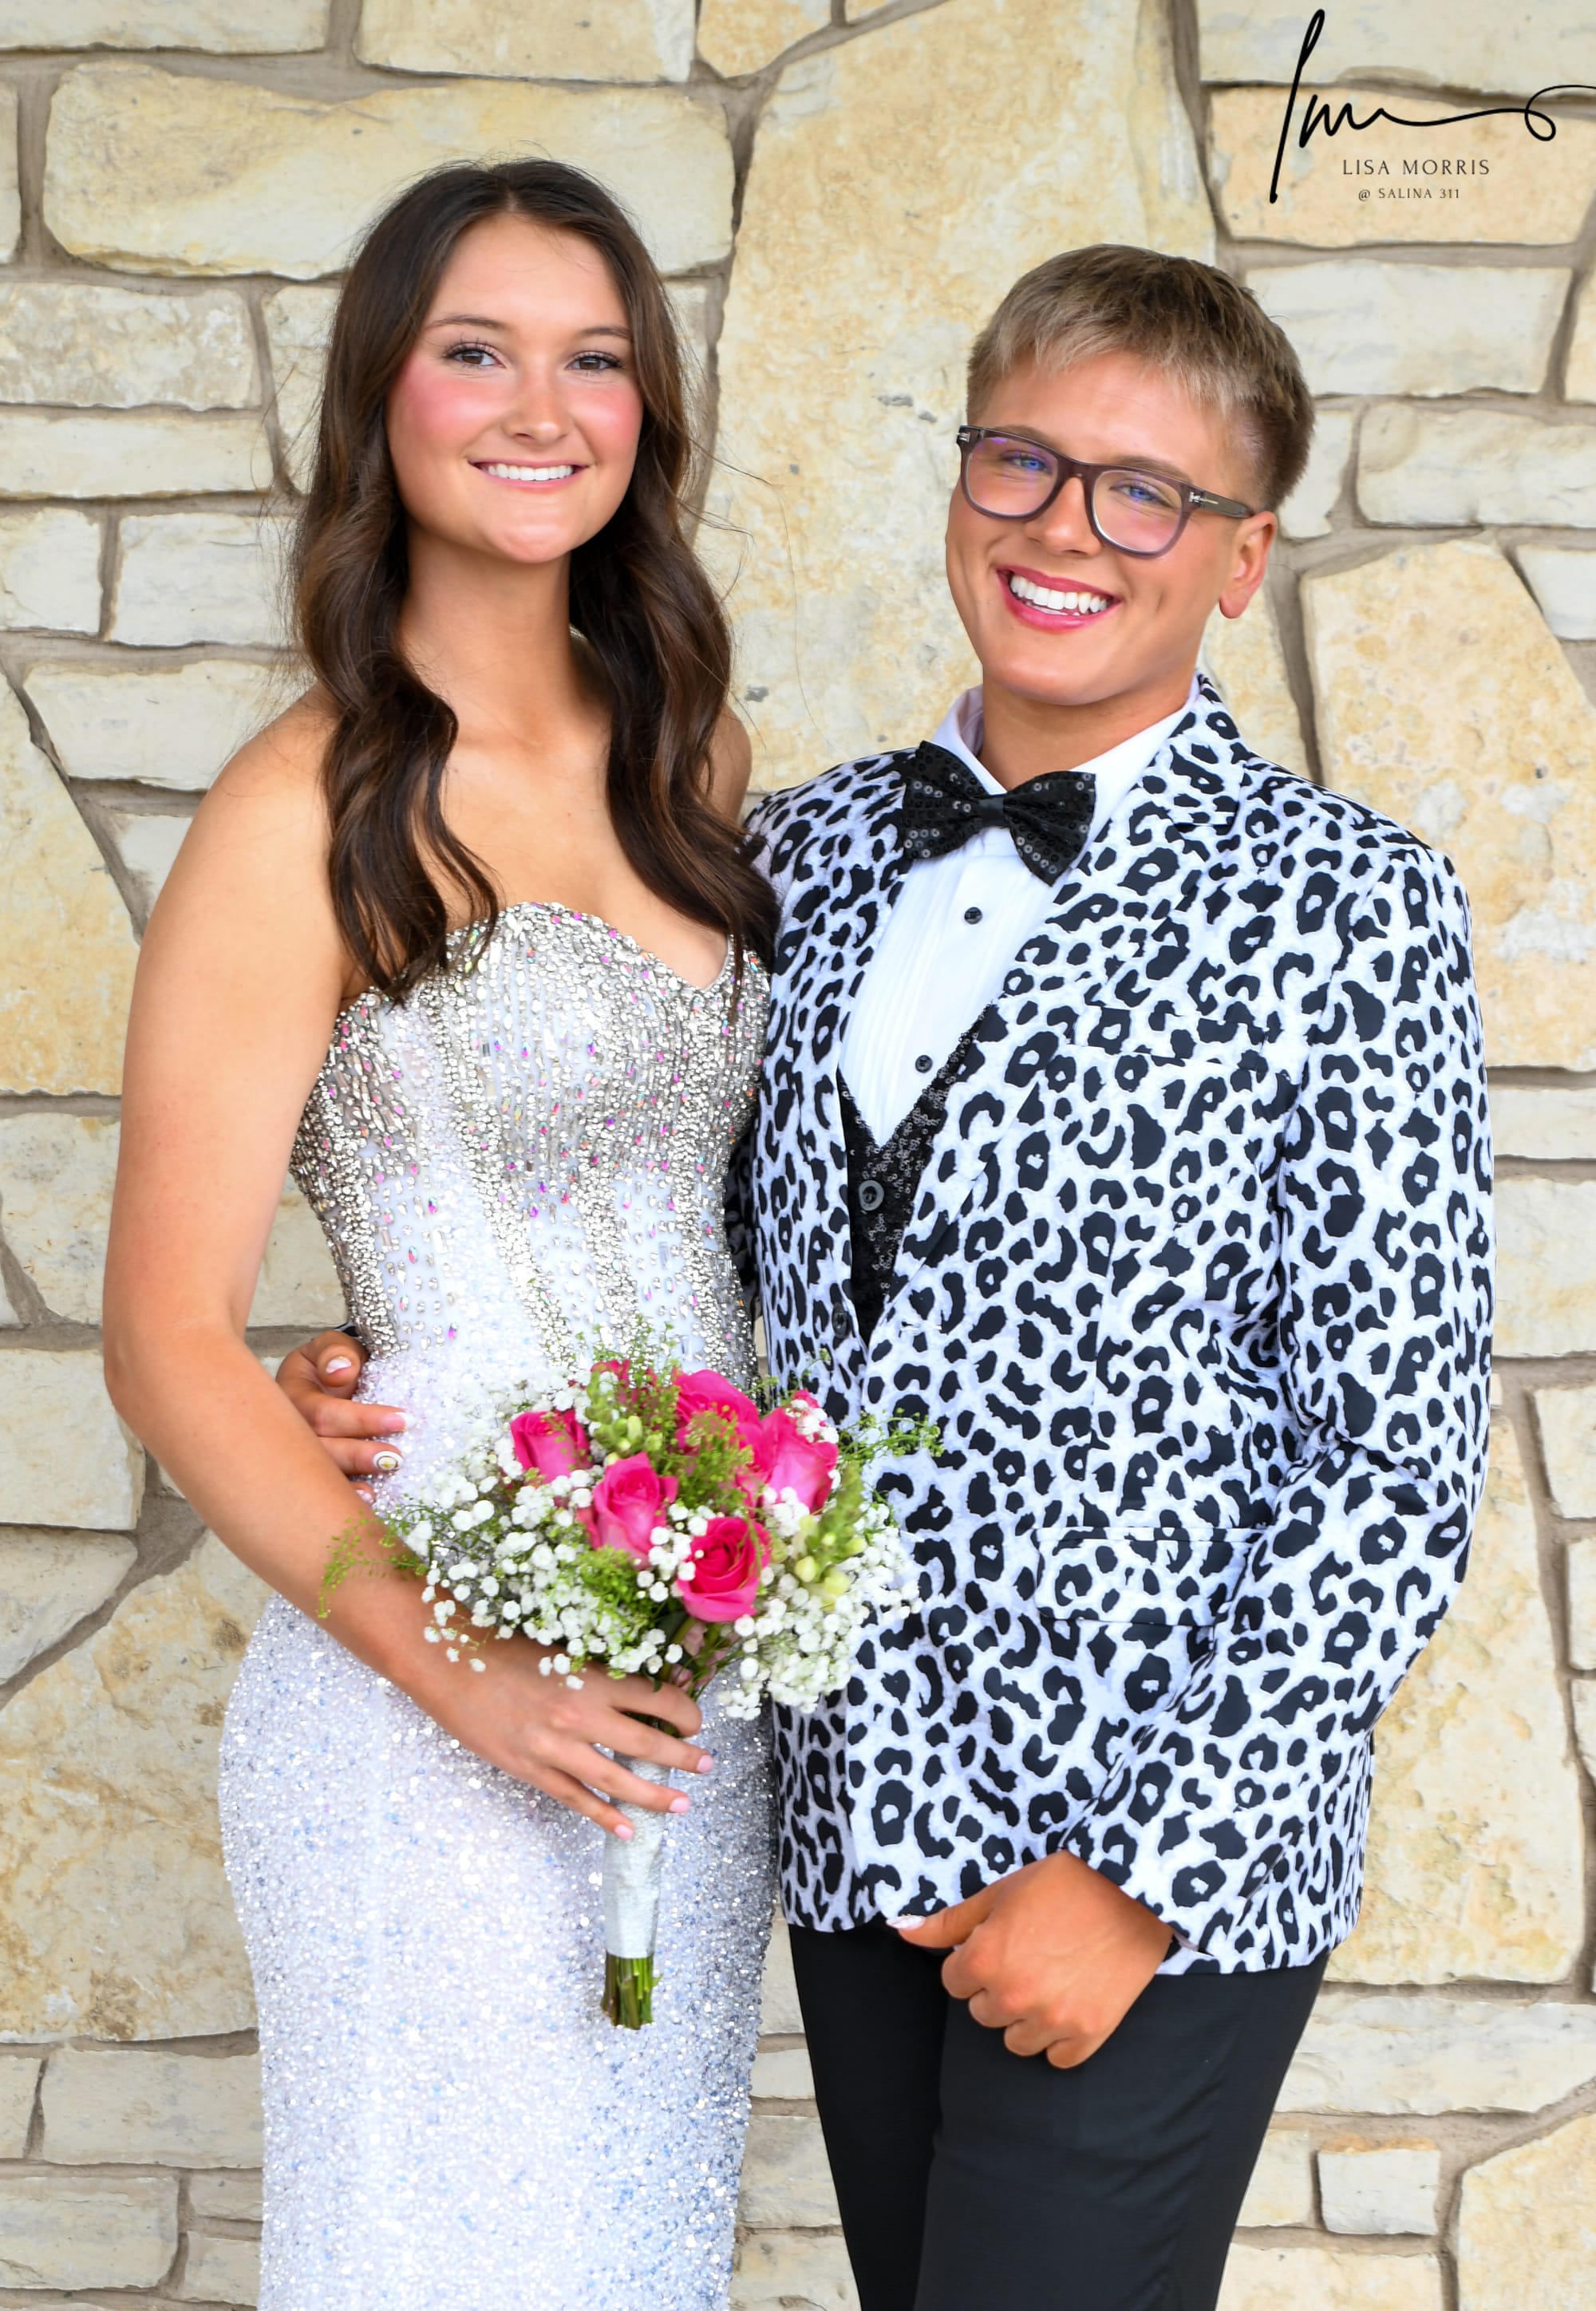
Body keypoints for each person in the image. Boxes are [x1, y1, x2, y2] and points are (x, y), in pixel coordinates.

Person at [281, 246, 1493, 2310]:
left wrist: (1144, 1880)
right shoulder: (799, 848)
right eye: (1022, 460)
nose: (1064, 529)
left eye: (1146, 492)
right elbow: (663, 1241)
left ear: (1241, 559)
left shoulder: (1350, 904)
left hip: (1149, 1861)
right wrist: (389, 1368)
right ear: (962, 476)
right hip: (849, 1821)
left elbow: (1391, 1464)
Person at [103, 160, 780, 2311]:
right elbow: (166, 1336)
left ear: (647, 413)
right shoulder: (299, 808)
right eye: (474, 350)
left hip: (692, 1690)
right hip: (422, 1699)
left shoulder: (697, 766)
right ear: (379, 396)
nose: (540, 407)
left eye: (594, 359)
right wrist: (465, 1673)